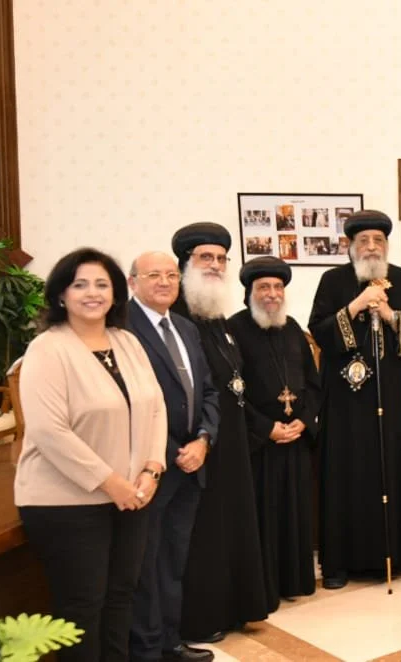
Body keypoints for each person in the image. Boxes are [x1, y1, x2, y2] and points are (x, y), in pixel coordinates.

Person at [14, 248, 167, 662]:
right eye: (79, 284)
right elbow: (49, 431)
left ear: (116, 293)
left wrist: (152, 469)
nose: (92, 293)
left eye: (102, 284)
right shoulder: (47, 349)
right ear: (61, 294)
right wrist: (111, 482)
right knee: (81, 607)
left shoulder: (127, 342)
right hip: (66, 502)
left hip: (132, 496)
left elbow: (155, 408)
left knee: (121, 598)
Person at [309, 209, 401, 589]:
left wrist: (390, 314)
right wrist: (357, 304)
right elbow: (320, 331)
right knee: (344, 474)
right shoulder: (333, 281)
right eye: (363, 241)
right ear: (350, 246)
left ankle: (390, 557)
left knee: (388, 468)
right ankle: (339, 563)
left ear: (386, 245)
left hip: (390, 396)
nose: (371, 247)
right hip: (344, 404)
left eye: (378, 240)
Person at [170, 223, 270, 643]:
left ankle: (235, 608)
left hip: (232, 441)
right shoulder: (177, 317)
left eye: (221, 258)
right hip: (198, 441)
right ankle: (202, 617)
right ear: (185, 264)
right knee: (205, 532)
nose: (215, 265)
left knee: (233, 524)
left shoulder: (217, 318)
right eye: (205, 258)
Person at [126, 251, 220, 662]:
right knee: (144, 564)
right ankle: (145, 650)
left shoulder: (184, 327)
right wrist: (168, 452)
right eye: (153, 275)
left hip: (191, 463)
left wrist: (203, 439)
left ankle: (170, 642)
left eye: (171, 275)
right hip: (147, 467)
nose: (164, 282)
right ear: (133, 282)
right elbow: (128, 401)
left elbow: (209, 390)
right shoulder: (121, 328)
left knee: (172, 560)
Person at [229, 257, 322, 607]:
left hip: (295, 441)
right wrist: (266, 428)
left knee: (295, 515)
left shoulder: (293, 328)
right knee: (263, 518)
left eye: (278, 287)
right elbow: (231, 391)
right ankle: (264, 589)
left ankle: (293, 582)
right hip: (259, 445)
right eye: (264, 287)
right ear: (249, 293)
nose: (272, 294)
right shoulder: (234, 330)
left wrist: (305, 420)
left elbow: (313, 384)